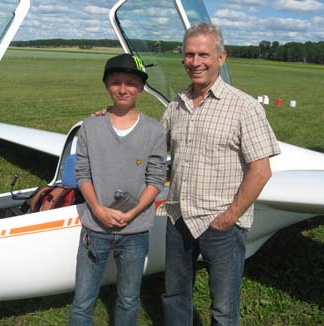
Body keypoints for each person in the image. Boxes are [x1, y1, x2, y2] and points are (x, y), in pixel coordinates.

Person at [160, 23, 281, 325]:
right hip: (179, 217)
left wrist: (229, 217)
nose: (195, 62)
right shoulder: (176, 104)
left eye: (203, 54)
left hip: (221, 223)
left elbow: (261, 171)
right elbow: (152, 150)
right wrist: (114, 116)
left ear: (221, 58)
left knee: (224, 308)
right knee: (175, 295)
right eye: (189, 54)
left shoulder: (244, 107)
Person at [68, 53, 168, 326]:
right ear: (106, 86)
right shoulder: (90, 126)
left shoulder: (153, 130)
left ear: (141, 87)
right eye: (116, 82)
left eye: (130, 83)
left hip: (135, 231)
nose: (123, 89)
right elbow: (83, 173)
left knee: (128, 298)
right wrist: (98, 210)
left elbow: (157, 177)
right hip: (94, 229)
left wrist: (133, 212)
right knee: (83, 300)